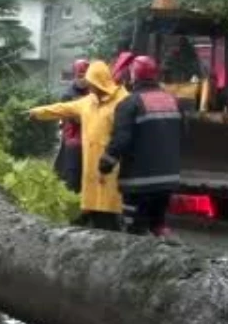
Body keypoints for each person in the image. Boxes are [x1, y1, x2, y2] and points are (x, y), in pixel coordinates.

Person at [29, 60, 130, 230]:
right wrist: (38, 113)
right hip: (91, 167)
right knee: (94, 211)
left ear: (100, 82)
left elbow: (126, 134)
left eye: (91, 84)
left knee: (111, 214)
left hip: (111, 167)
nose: (89, 88)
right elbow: (62, 108)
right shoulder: (88, 101)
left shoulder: (123, 101)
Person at [98, 55, 183, 238]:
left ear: (133, 76)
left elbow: (121, 139)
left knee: (135, 230)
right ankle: (170, 256)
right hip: (168, 180)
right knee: (158, 224)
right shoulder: (173, 101)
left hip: (138, 183)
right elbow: (184, 135)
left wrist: (105, 163)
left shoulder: (130, 104)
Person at [52, 59, 90, 192]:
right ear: (75, 75)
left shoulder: (93, 92)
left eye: (85, 75)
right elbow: (69, 119)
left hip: (89, 139)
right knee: (72, 176)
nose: (83, 79)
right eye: (80, 76)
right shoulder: (68, 94)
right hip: (72, 139)